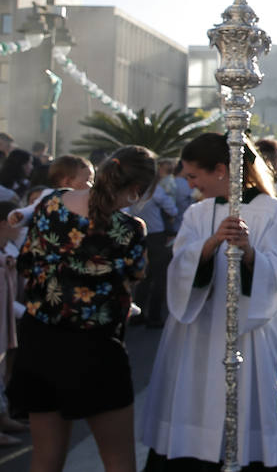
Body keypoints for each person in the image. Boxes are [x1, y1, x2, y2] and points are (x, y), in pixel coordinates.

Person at [140, 132, 277, 471]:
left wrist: (249, 252)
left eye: (194, 175)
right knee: (193, 402)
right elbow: (180, 265)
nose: (189, 183)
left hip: (247, 334)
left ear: (221, 171)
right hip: (197, 333)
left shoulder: (273, 210)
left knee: (243, 410)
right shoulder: (197, 212)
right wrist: (210, 245)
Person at [7, 146, 156, 472]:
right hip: (95, 347)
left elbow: (27, 261)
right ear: (136, 190)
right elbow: (134, 278)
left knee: (45, 458)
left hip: (40, 339)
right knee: (119, 461)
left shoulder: (51, 203)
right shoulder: (130, 229)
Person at [129, 172, 178, 328]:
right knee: (159, 277)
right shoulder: (155, 191)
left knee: (144, 276)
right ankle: (154, 317)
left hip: (139, 235)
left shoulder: (132, 190)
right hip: (157, 236)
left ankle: (138, 314)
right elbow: (172, 210)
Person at [0, 201, 28, 446]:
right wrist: (27, 313)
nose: (20, 228)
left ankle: (3, 416)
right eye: (16, 223)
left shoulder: (8, 249)